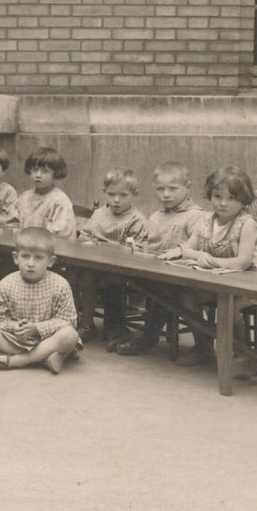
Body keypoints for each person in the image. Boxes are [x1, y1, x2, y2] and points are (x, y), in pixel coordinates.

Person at [164, 165, 257, 368]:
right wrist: (194, 254)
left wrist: (211, 260)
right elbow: (187, 249)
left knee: (228, 304)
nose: (223, 203)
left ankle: (244, 353)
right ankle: (203, 347)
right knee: (186, 298)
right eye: (217, 196)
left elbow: (242, 262)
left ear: (243, 199)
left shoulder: (246, 224)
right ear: (210, 195)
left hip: (253, 285)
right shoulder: (207, 221)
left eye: (231, 198)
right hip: (221, 282)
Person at [114, 162, 210, 358]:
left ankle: (203, 346)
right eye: (160, 189)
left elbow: (198, 247)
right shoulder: (157, 216)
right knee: (130, 281)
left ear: (187, 187)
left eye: (173, 189)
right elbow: (152, 246)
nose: (166, 194)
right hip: (160, 275)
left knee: (173, 294)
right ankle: (122, 331)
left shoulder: (196, 216)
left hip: (189, 279)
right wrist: (139, 248)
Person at [0, 227, 81, 374]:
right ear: (15, 257)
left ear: (51, 261)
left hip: (48, 339)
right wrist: (15, 327)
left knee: (70, 335)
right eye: (25, 256)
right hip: (17, 340)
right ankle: (44, 358)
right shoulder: (5, 284)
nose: (31, 263)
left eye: (38, 258)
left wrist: (36, 329)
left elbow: (67, 320)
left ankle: (15, 361)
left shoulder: (60, 284)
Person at [75, 168, 149, 346]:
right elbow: (85, 235)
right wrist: (87, 240)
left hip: (124, 269)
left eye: (123, 195)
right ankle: (86, 323)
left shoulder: (136, 219)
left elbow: (139, 249)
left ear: (134, 194)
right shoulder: (100, 213)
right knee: (83, 275)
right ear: (104, 192)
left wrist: (113, 247)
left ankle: (114, 326)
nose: (116, 200)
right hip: (96, 265)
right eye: (111, 194)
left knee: (111, 280)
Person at [16, 146, 77, 238]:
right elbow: (15, 220)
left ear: (55, 174)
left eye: (44, 171)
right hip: (25, 245)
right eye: (35, 170)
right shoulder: (25, 197)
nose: (38, 175)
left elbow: (60, 233)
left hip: (51, 247)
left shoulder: (60, 201)